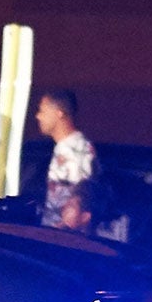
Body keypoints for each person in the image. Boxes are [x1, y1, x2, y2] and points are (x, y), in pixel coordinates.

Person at [35, 87, 97, 229]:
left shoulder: (75, 150)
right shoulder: (65, 147)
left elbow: (81, 199)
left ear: (59, 114)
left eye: (42, 111)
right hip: (55, 235)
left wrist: (64, 230)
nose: (38, 116)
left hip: (63, 238)